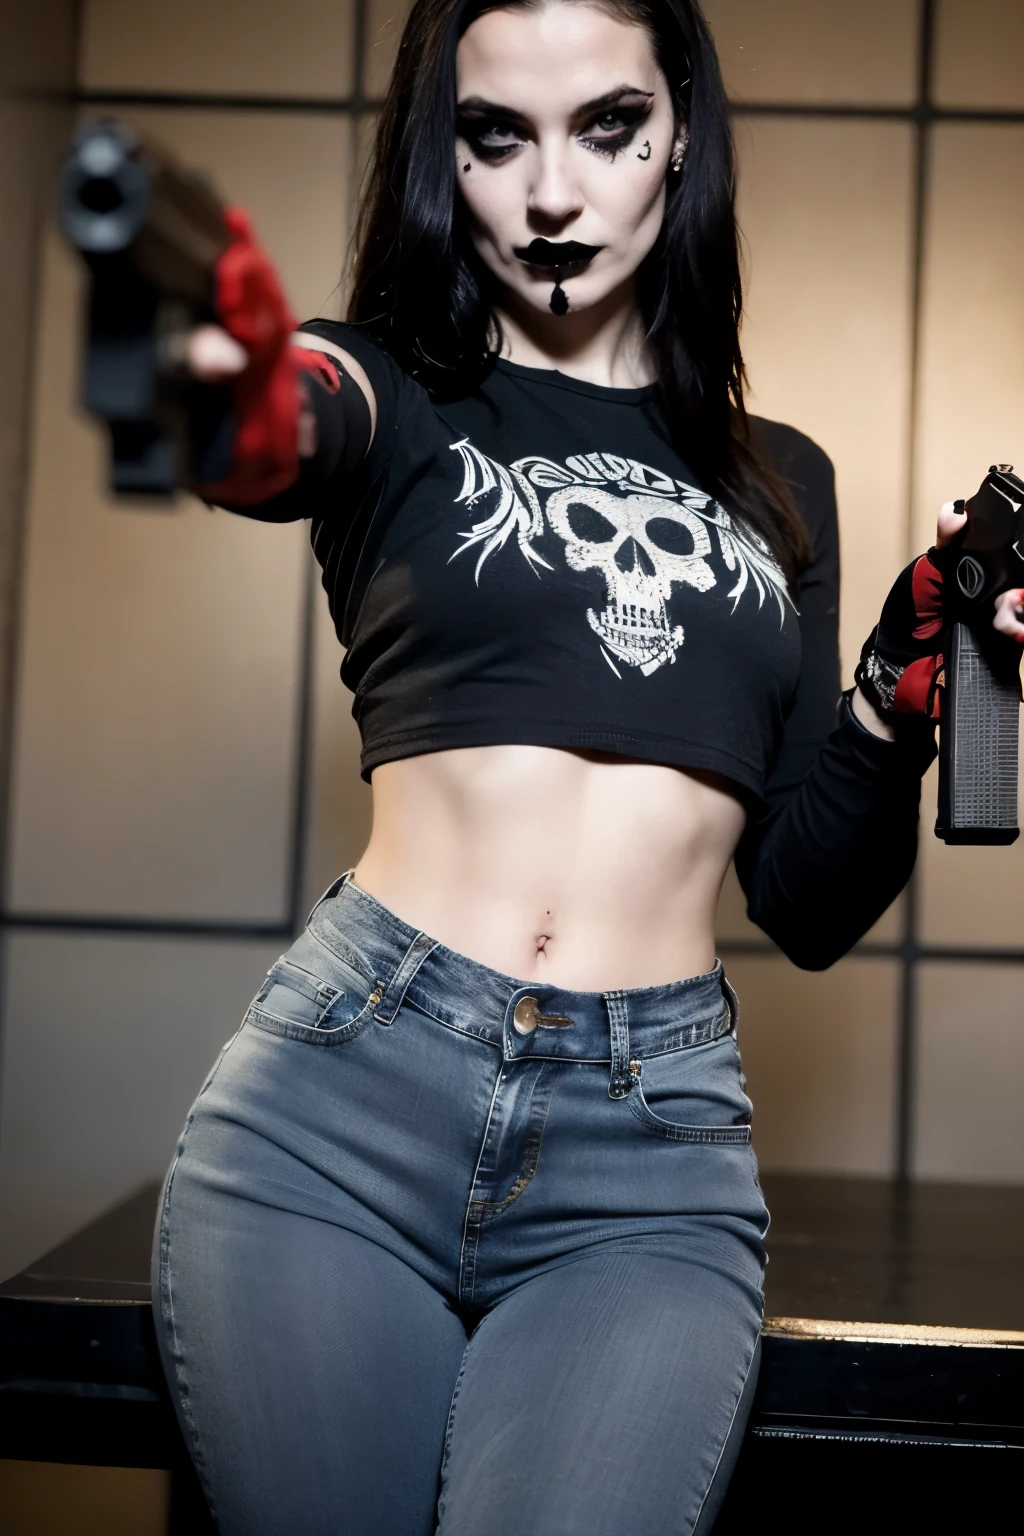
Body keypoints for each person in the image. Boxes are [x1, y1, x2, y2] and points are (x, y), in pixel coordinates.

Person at [151, 2, 1024, 1532]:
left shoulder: (779, 483)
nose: (553, 193)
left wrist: (897, 703)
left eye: (607, 128)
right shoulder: (390, 390)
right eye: (498, 137)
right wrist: (222, 388)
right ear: (446, 157)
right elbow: (284, 427)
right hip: (343, 1104)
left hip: (655, 1151)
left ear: (680, 128)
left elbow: (805, 899)